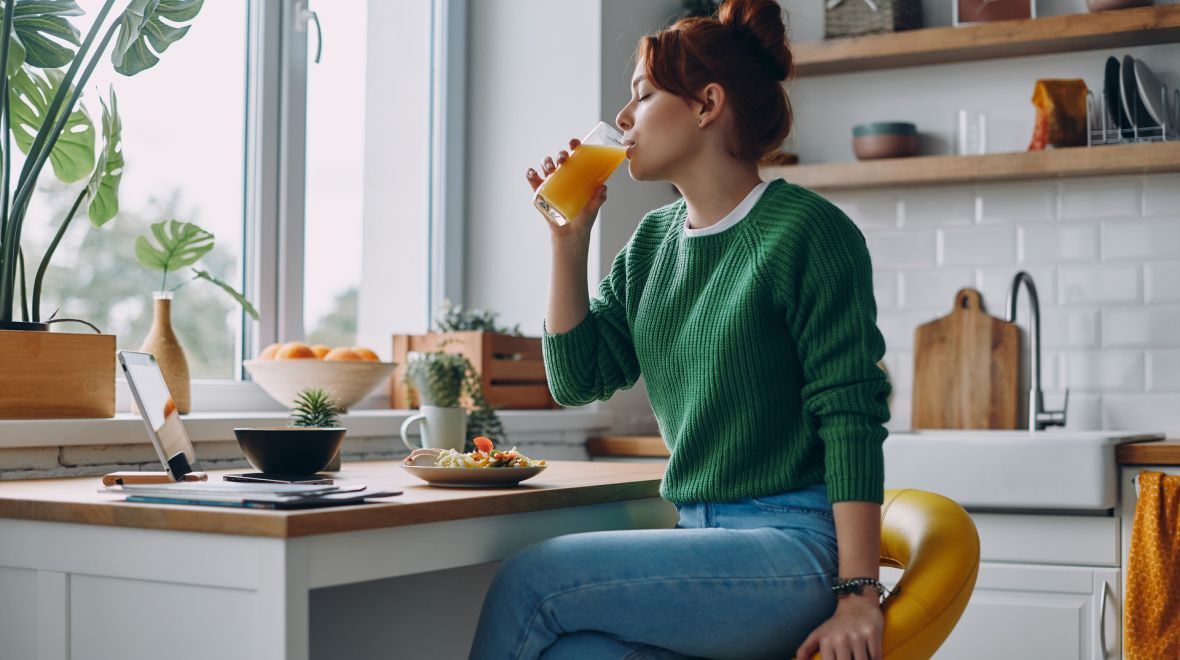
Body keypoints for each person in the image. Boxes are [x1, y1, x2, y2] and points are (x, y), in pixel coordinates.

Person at [469, 0, 891, 657]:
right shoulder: (650, 245)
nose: (624, 117)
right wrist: (567, 244)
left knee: (532, 581)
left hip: (793, 546)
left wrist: (859, 593)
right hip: (697, 541)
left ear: (706, 104)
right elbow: (577, 380)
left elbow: (852, 418)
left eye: (642, 94)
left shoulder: (808, 233)